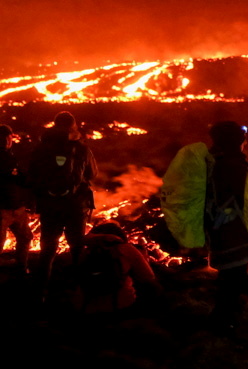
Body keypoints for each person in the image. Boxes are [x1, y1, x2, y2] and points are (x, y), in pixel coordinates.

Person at [28, 111, 98, 290]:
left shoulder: (41, 148)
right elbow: (92, 174)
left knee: (48, 249)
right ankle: (79, 291)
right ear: (73, 126)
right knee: (77, 247)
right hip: (75, 205)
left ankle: (40, 292)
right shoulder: (81, 148)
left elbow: (32, 175)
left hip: (50, 205)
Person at [206, 121, 248, 335]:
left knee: (229, 277)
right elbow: (246, 198)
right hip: (232, 232)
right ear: (237, 141)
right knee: (233, 278)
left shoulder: (214, 161)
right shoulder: (232, 165)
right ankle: (224, 323)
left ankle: (224, 319)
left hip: (219, 231)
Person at [74, 220, 160, 314]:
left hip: (84, 307)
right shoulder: (124, 248)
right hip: (119, 305)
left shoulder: (85, 251)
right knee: (154, 289)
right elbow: (148, 276)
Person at [0, 125, 33, 275]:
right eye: (4, 138)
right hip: (3, 208)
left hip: (16, 207)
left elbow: (18, 178)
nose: (7, 141)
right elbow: (13, 176)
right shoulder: (6, 157)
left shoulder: (10, 156)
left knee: (25, 237)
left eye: (9, 137)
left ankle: (21, 268)